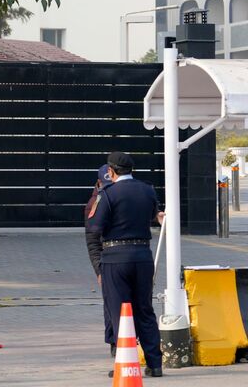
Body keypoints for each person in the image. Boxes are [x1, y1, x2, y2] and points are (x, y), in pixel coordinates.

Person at [88, 152, 165, 378]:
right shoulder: (147, 190)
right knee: (144, 309)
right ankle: (155, 364)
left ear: (111, 172)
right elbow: (154, 215)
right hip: (143, 255)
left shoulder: (108, 194)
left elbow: (95, 226)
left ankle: (126, 362)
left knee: (120, 312)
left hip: (115, 257)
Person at [84, 165, 114, 356]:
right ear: (98, 183)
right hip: (108, 260)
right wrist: (98, 270)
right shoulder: (94, 204)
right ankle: (114, 343)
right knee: (111, 305)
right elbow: (92, 241)